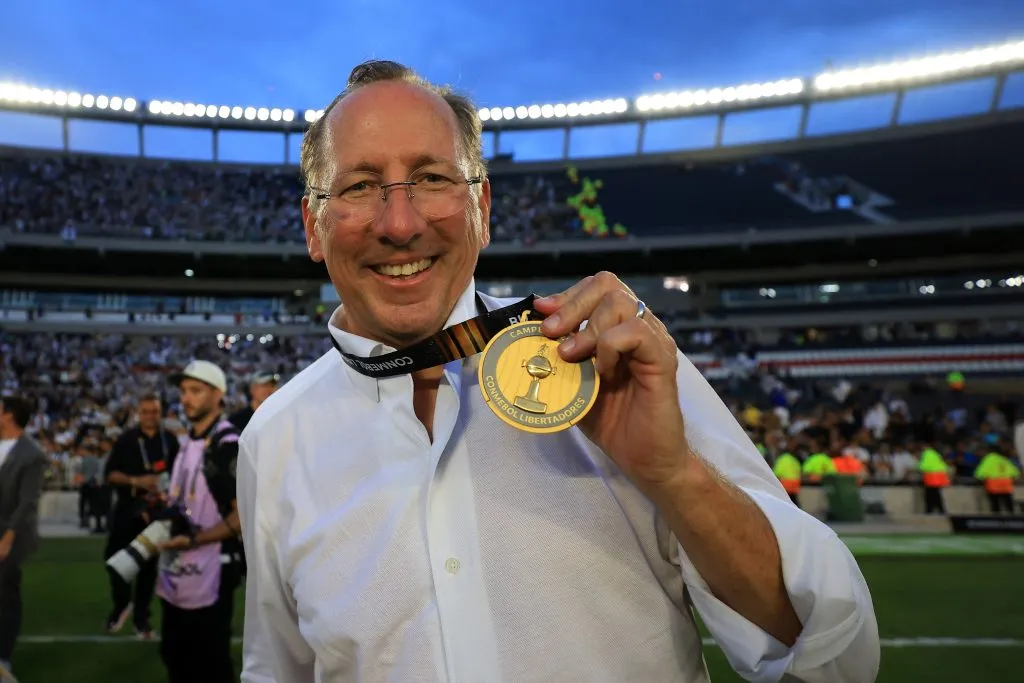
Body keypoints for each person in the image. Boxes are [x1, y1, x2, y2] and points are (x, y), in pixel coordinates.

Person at [238, 61, 880, 682]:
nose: (400, 224)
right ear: (313, 228)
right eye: (358, 186)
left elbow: (834, 659)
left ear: (481, 209)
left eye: (433, 178)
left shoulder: (614, 364)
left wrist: (674, 475)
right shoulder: (275, 441)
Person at [156, 360, 244, 683]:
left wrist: (193, 540)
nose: (186, 398)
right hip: (177, 565)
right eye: (183, 391)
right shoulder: (189, 440)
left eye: (195, 391)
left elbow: (243, 517)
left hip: (211, 567)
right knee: (174, 654)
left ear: (218, 394)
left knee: (208, 662)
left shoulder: (226, 445)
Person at [103, 393, 180, 638]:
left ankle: (142, 620)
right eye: (146, 411)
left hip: (157, 514)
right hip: (127, 510)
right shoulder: (126, 440)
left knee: (148, 569)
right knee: (114, 561)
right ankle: (122, 603)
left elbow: (181, 475)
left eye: (154, 411)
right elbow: (110, 474)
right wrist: (137, 480)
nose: (150, 416)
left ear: (161, 413)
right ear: (138, 413)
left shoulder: (170, 440)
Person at [0, 396, 47, 682]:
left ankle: (3, 659)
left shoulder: (31, 454)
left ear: (9, 416)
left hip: (11, 534)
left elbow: (28, 502)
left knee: (5, 595)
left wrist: (7, 538)